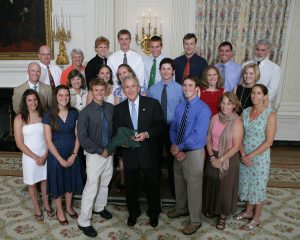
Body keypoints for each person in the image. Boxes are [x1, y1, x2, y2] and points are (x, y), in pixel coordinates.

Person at [113, 75, 165, 228]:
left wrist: (147, 134)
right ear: (123, 90)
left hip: (149, 152)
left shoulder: (152, 104)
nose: (130, 90)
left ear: (139, 87)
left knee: (152, 185)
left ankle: (154, 212)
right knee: (131, 186)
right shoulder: (119, 108)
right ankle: (133, 212)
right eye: (126, 87)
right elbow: (115, 131)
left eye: (133, 86)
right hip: (130, 153)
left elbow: (160, 125)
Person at [168, 75, 211, 235]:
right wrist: (174, 146)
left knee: (193, 188)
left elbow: (198, 136)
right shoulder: (180, 107)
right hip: (177, 150)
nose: (187, 88)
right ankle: (181, 208)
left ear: (197, 88)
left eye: (190, 85)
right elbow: (173, 127)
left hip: (193, 153)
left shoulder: (203, 109)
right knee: (179, 182)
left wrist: (179, 147)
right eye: (184, 85)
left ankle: (195, 220)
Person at [234, 84, 277, 231]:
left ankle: (256, 218)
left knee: (258, 186)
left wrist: (250, 155)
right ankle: (247, 211)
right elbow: (238, 134)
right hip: (244, 154)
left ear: (264, 96)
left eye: (259, 93)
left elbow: (269, 141)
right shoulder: (245, 112)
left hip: (260, 157)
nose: (255, 96)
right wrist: (242, 153)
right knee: (247, 184)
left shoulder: (270, 114)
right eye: (253, 93)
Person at [77, 78, 114, 238]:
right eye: (96, 90)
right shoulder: (85, 112)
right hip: (94, 155)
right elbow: (83, 137)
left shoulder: (111, 108)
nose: (99, 93)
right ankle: (84, 221)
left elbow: (115, 130)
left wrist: (111, 148)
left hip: (109, 153)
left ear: (105, 91)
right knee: (92, 186)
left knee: (105, 183)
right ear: (91, 92)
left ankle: (99, 207)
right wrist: (100, 151)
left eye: (101, 90)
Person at [43, 85, 83, 226]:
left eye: (66, 95)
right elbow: (48, 140)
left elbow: (79, 136)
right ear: (55, 97)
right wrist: (59, 158)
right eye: (61, 95)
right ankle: (60, 210)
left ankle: (68, 207)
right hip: (56, 156)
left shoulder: (74, 113)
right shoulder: (48, 115)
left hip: (72, 152)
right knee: (58, 182)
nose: (64, 98)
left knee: (70, 182)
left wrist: (74, 154)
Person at [202, 92, 243, 230]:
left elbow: (237, 146)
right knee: (211, 181)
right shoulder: (214, 117)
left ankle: (223, 215)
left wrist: (221, 159)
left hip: (228, 157)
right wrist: (212, 157)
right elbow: (208, 138)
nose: (225, 106)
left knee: (224, 187)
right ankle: (213, 209)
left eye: (229, 104)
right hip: (212, 154)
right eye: (223, 103)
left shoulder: (237, 122)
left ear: (234, 105)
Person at [13, 89, 54, 222]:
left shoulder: (44, 115)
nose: (33, 102)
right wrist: (36, 157)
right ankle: (37, 207)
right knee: (32, 183)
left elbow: (50, 138)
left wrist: (45, 154)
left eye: (35, 99)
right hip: (30, 157)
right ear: (25, 102)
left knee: (45, 181)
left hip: (45, 153)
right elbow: (19, 143)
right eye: (29, 100)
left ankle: (46, 204)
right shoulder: (19, 118)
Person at [148, 57, 184, 196]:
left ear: (173, 71)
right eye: (163, 68)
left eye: (169, 68)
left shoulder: (180, 89)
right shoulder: (153, 89)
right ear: (160, 70)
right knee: (155, 159)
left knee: (172, 159)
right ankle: (154, 188)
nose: (166, 71)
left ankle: (174, 189)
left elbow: (182, 111)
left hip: (172, 128)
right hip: (156, 128)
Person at [243, 39, 281, 107]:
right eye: (257, 49)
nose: (259, 53)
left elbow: (272, 91)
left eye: (263, 50)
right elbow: (242, 84)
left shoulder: (275, 68)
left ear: (268, 52)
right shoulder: (245, 64)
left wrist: (259, 104)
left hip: (262, 105)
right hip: (244, 102)